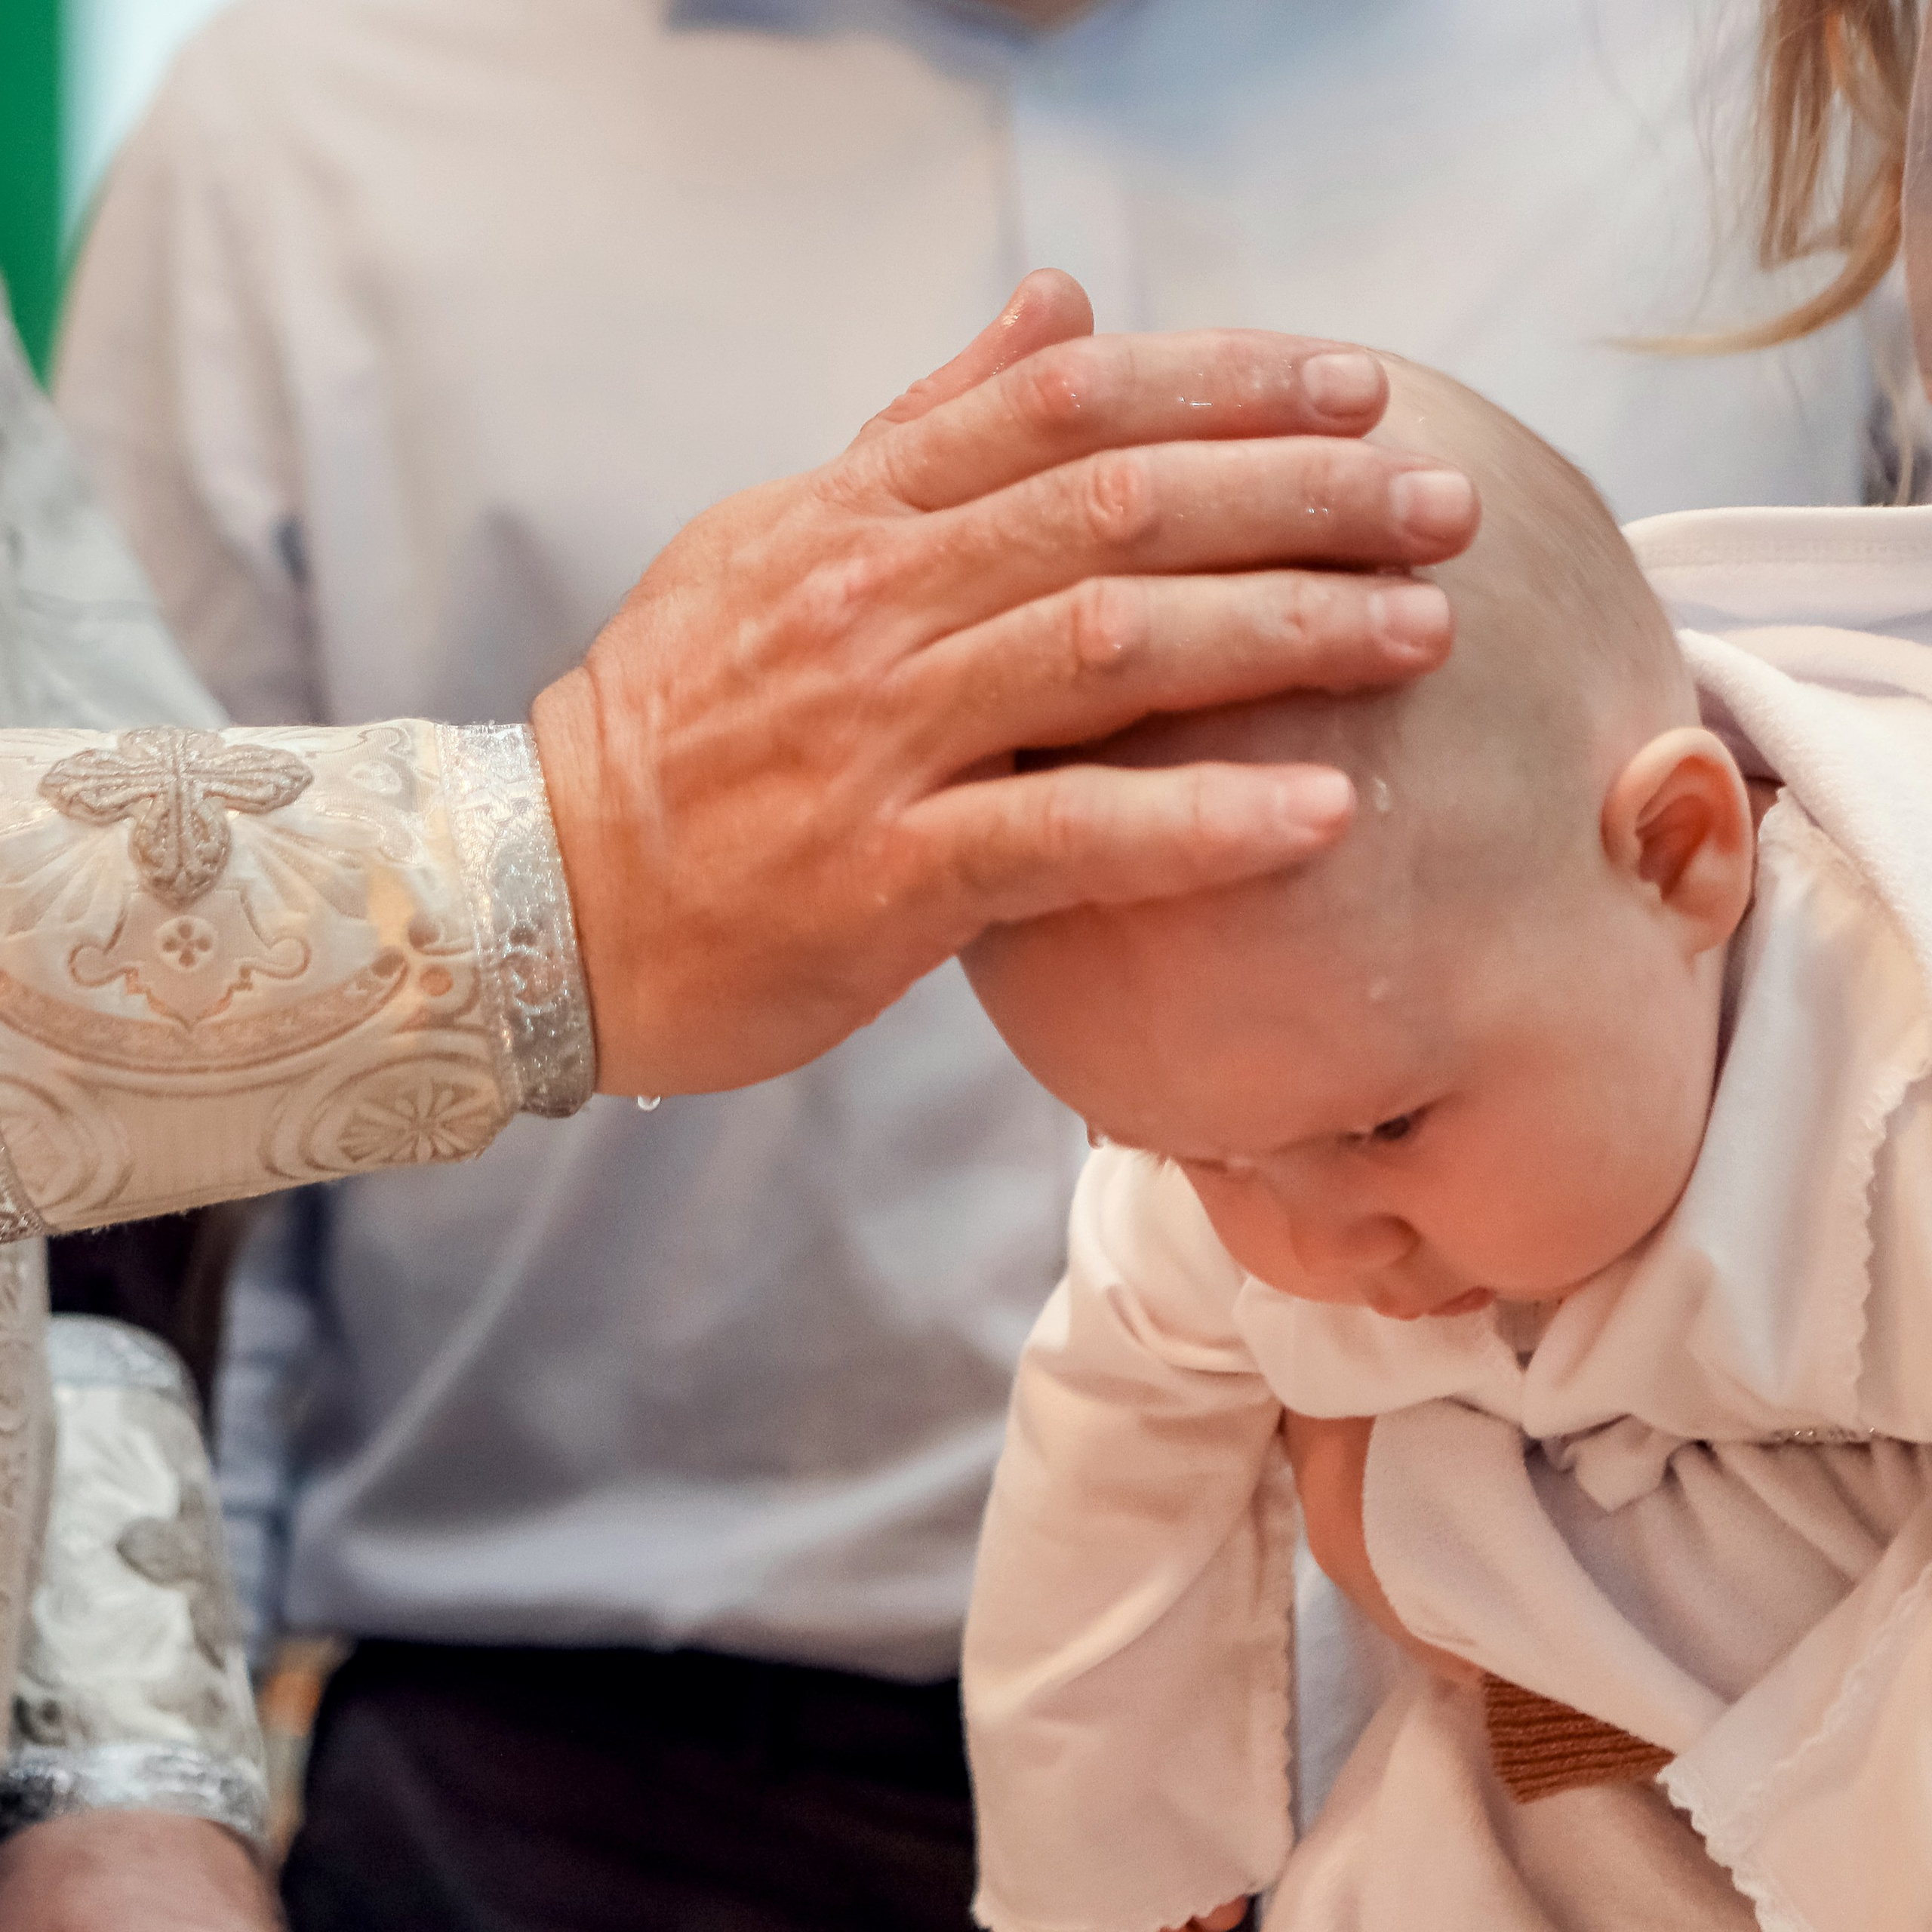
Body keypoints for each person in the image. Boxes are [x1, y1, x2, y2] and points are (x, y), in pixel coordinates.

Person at [51, 2, 1879, 1925]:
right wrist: (135, 1793)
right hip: (564, 1791)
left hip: (1615, 1741)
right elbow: (137, 1079)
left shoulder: (1772, 72)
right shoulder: (294, 123)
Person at [0, 249, 1470, 1932]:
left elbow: (79, 1193)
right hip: (547, 1756)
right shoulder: (291, 124)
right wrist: (549, 862)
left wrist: (113, 1764)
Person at [960, 360, 1932, 1930]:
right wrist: (1116, 1867)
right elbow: (1109, 1433)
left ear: (1679, 858)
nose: (1304, 1244)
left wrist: (1506, 1601)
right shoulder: (1259, 1100)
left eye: (1382, 1127)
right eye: (1192, 1153)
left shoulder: (1885, 1083)